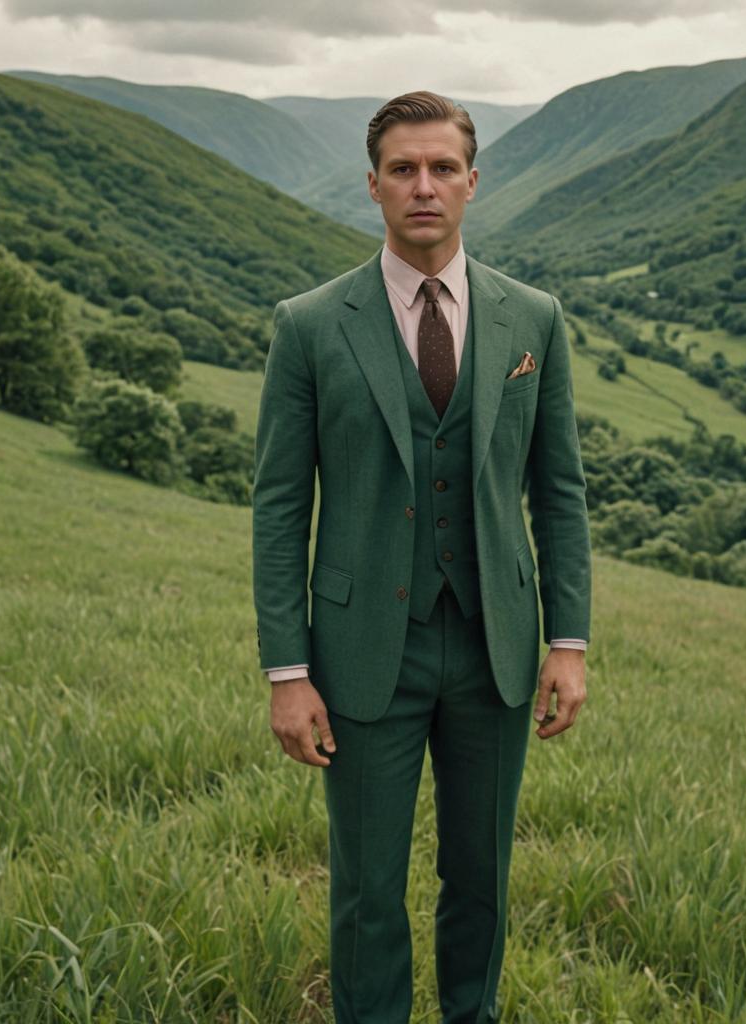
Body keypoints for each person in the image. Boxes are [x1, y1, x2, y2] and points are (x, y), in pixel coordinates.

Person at [252, 90, 592, 1024]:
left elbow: (558, 492)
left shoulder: (537, 320)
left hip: (497, 649)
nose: (424, 186)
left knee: (480, 876)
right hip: (365, 652)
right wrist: (288, 670)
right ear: (372, 186)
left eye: (443, 168)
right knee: (367, 890)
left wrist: (570, 643)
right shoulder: (311, 324)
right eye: (403, 169)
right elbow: (280, 508)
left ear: (474, 183)